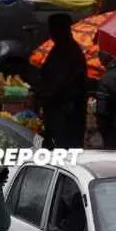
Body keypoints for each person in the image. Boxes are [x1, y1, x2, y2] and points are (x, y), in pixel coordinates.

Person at [34, 13, 88, 148]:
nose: (51, 32)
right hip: (59, 109)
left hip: (66, 112)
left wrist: (44, 96)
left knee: (64, 148)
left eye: (53, 29)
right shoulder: (59, 49)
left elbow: (60, 81)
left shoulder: (68, 51)